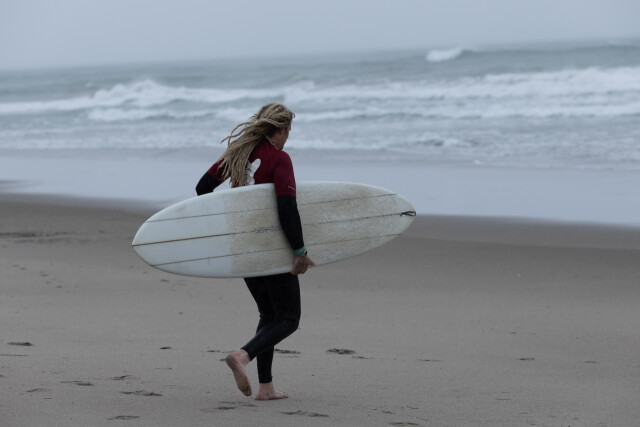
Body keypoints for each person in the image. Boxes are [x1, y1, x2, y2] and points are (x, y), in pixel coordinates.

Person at [195, 103, 315, 400]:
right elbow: (287, 208)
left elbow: (202, 188)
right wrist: (300, 251)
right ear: (281, 130)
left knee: (269, 314)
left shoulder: (238, 153)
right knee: (289, 319)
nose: (288, 137)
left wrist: (228, 222)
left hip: (242, 246)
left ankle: (266, 387)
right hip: (270, 248)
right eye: (288, 131)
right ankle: (242, 356)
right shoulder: (280, 159)